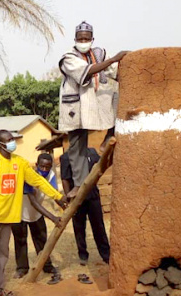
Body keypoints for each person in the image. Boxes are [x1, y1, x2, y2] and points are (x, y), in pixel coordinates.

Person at [0, 130, 67, 296]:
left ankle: (0, 287)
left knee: (2, 256)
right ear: (0, 144)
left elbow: (38, 181)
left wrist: (57, 196)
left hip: (8, 219)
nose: (13, 142)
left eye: (13, 139)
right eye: (9, 140)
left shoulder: (20, 162)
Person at [58, 21, 129, 198]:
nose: (83, 41)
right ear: (75, 39)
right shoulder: (68, 57)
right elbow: (88, 71)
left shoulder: (99, 53)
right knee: (76, 145)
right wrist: (113, 59)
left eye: (86, 38)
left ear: (92, 39)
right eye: (80, 38)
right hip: (78, 104)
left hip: (97, 100)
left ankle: (108, 135)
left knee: (118, 100)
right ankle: (79, 184)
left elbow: (116, 72)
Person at [12, 153, 61, 280]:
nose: (44, 170)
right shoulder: (28, 176)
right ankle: (22, 268)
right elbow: (33, 202)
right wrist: (53, 217)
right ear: (36, 165)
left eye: (47, 167)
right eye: (42, 166)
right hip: (20, 214)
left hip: (37, 215)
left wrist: (66, 206)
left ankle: (46, 265)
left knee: (41, 241)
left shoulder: (51, 176)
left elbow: (55, 194)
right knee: (21, 241)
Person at [60, 149, 110, 265]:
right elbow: (65, 179)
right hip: (76, 198)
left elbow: (101, 165)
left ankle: (106, 254)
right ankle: (83, 255)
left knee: (99, 226)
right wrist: (69, 199)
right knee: (79, 228)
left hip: (93, 196)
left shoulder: (91, 153)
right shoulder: (66, 157)